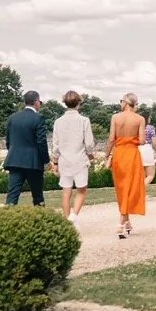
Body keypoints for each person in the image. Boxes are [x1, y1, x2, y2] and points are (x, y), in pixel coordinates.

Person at [50, 90, 97, 219]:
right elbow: (88, 143)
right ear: (79, 103)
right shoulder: (84, 120)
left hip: (64, 160)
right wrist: (90, 154)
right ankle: (74, 215)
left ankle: (67, 219)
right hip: (79, 159)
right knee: (81, 190)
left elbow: (56, 144)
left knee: (66, 192)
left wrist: (55, 162)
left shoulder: (58, 121)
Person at [108, 92, 148, 238]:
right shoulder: (140, 119)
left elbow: (111, 138)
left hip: (119, 154)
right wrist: (133, 140)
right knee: (130, 187)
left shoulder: (115, 117)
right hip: (132, 154)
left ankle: (125, 222)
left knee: (121, 187)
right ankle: (122, 222)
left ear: (125, 102)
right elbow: (143, 141)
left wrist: (107, 155)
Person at [3, 90, 50, 206]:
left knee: (12, 196)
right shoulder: (38, 118)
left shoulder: (12, 118)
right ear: (36, 102)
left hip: (15, 160)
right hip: (33, 162)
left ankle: (8, 219)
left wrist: (14, 152)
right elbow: (41, 142)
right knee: (38, 196)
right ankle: (40, 220)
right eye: (40, 102)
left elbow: (8, 141)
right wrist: (46, 161)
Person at [143, 117, 156, 183]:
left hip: (137, 149)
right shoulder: (150, 128)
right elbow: (154, 141)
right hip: (147, 148)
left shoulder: (135, 127)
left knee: (142, 174)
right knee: (150, 175)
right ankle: (140, 189)